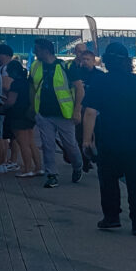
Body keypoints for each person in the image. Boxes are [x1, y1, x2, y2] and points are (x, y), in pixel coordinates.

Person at [81, 43, 136, 236]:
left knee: (109, 180)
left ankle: (112, 217)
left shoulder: (100, 82)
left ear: (106, 61)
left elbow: (90, 112)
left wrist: (86, 140)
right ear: (127, 61)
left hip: (110, 139)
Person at [30, 39, 84, 188]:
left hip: (64, 115)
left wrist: (77, 110)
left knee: (70, 146)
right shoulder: (35, 66)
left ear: (45, 50)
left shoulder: (66, 66)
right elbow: (32, 88)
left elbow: (80, 89)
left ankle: (78, 166)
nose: (35, 52)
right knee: (47, 145)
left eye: (37, 49)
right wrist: (33, 109)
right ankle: (52, 175)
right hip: (44, 114)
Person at [0, 60, 40, 177]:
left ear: (13, 71)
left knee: (23, 144)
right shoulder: (27, 82)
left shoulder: (16, 84)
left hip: (18, 115)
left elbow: (11, 102)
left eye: (8, 71)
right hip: (29, 114)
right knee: (31, 142)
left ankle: (27, 169)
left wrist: (2, 107)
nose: (7, 73)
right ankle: (38, 167)